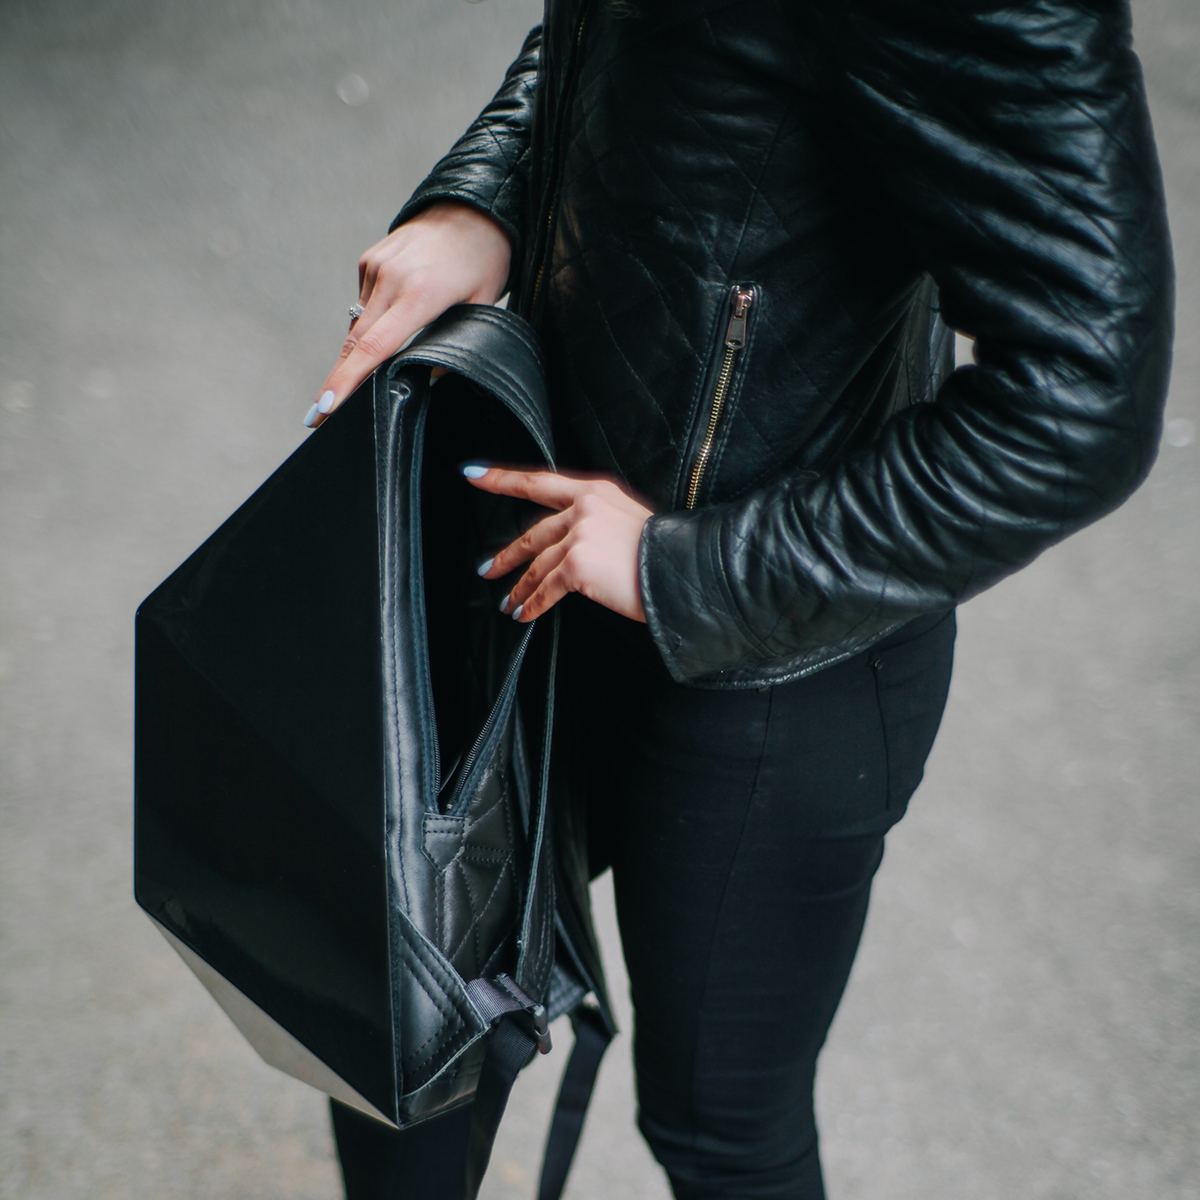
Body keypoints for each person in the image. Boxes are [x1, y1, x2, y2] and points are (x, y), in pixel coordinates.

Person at [308, 1, 1173, 1196]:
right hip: (539, 538)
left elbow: (1087, 399)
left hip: (767, 658)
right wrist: (485, 195)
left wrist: (688, 570)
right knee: (387, 1008)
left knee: (722, 1134)